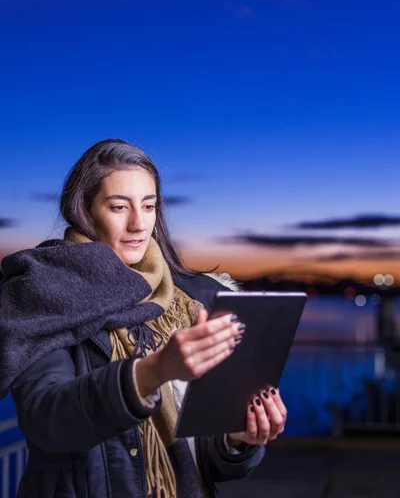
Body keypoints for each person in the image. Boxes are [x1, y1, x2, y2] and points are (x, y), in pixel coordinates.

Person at [0, 139, 287, 498]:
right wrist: (153, 372)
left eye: (148, 206)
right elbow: (48, 420)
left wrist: (236, 439)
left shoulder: (184, 302)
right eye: (119, 207)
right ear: (85, 211)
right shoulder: (43, 290)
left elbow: (198, 458)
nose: (139, 223)